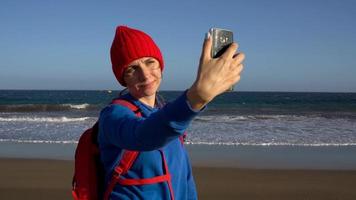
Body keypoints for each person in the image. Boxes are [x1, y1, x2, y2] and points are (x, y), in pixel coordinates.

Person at [98, 25, 244, 200]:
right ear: (123, 78)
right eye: (132, 69)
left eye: (150, 62)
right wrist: (195, 97)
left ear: (160, 65)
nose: (145, 75)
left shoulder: (164, 110)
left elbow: (184, 178)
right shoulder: (112, 116)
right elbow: (143, 135)